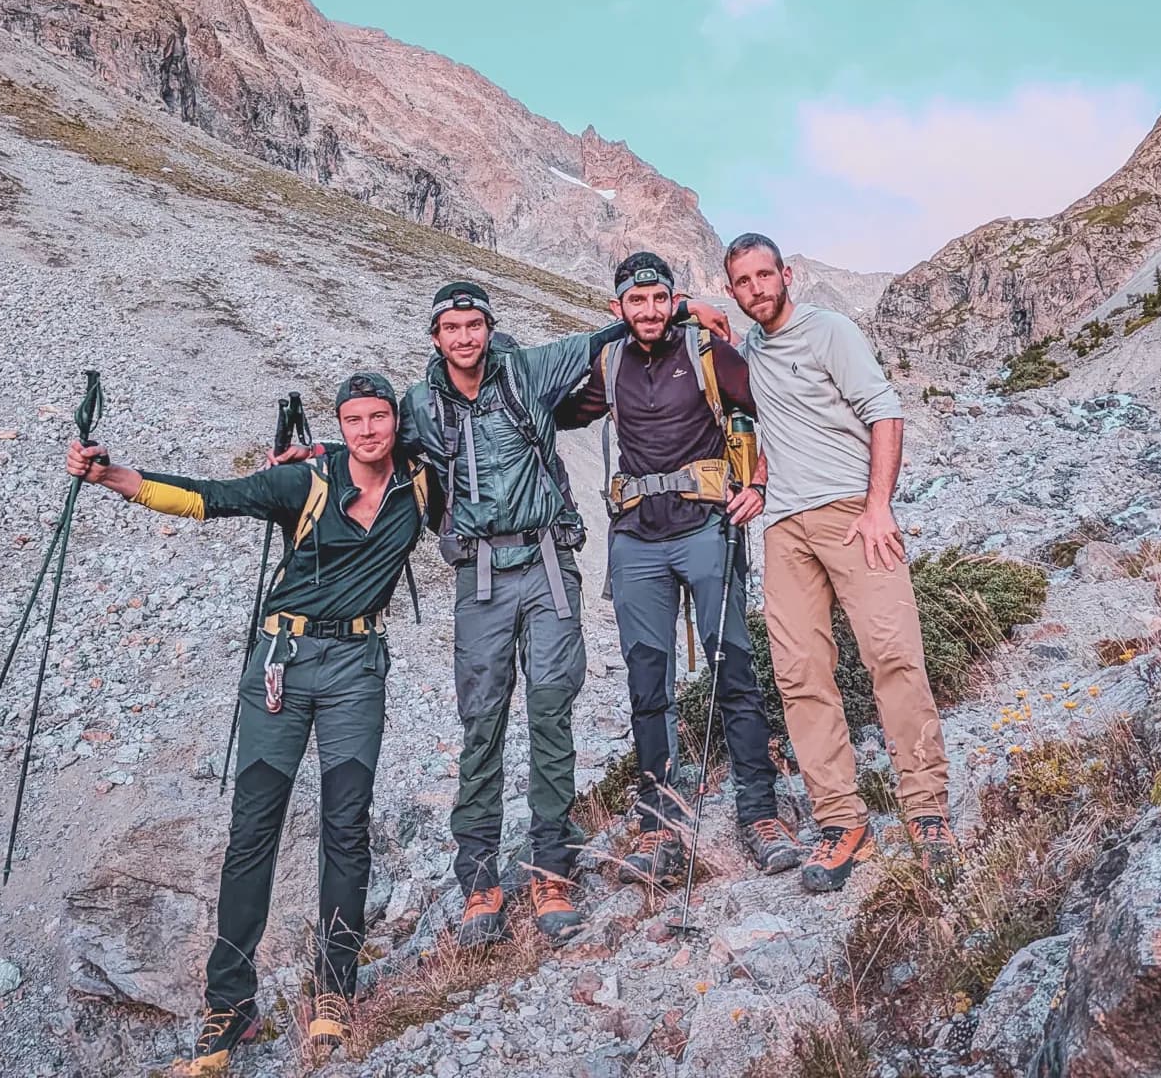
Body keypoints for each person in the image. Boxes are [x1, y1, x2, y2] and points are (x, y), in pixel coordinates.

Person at [64, 372, 434, 1072]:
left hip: (359, 664)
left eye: (378, 418)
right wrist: (109, 474)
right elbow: (208, 499)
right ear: (342, 425)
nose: (367, 431)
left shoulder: (421, 482)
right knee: (251, 833)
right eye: (352, 420)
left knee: (346, 828)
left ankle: (334, 991)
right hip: (282, 664)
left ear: (396, 422)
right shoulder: (303, 484)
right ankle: (228, 1005)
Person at [398, 279, 730, 946]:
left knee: (551, 713)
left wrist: (686, 309)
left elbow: (601, 338)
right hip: (480, 577)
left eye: (474, 324)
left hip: (548, 567)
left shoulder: (525, 371)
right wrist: (311, 459)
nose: (464, 337)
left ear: (489, 327)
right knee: (481, 723)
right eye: (452, 328)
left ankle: (551, 866)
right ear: (435, 337)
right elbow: (372, 456)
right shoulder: (418, 404)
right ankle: (481, 882)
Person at [554, 251, 803, 884]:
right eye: (634, 302)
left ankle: (760, 812)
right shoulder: (607, 365)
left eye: (659, 299)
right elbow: (552, 413)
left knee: (733, 668)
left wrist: (761, 482)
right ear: (619, 308)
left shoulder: (706, 354)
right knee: (647, 681)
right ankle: (657, 823)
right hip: (635, 540)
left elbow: (769, 405)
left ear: (672, 299)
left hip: (707, 529)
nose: (648, 312)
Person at [722, 233, 953, 893]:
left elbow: (884, 412)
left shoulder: (830, 331)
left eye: (766, 275)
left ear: (786, 274)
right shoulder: (752, 351)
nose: (758, 289)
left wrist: (880, 505)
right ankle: (840, 821)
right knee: (799, 676)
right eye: (744, 281)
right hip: (785, 529)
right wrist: (761, 486)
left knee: (894, 655)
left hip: (853, 513)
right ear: (734, 290)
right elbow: (769, 427)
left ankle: (927, 808)